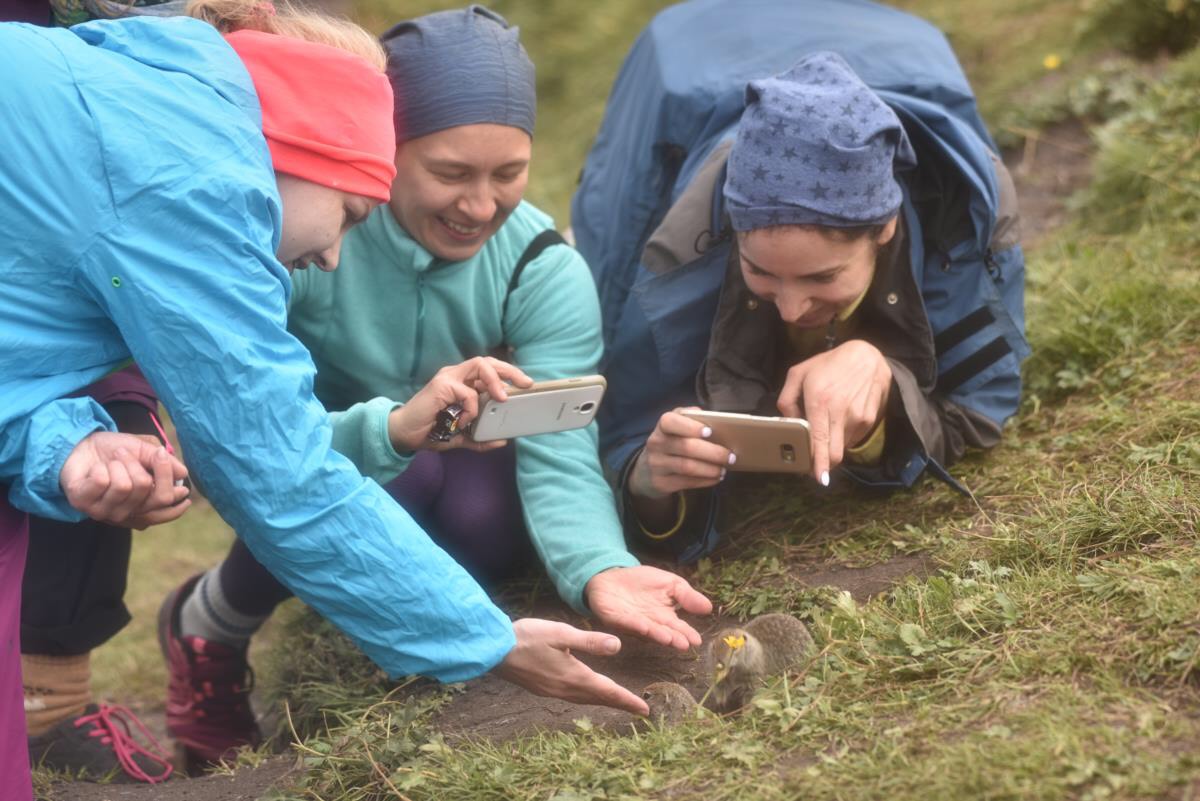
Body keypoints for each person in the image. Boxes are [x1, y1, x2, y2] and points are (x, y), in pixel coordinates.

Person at [0, 0, 648, 792]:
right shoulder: (197, 184)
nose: (336, 255)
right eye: (350, 212)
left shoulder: (140, 109)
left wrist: (62, 442)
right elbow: (273, 467)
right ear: (309, 152)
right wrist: (486, 639)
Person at [159, 5, 713, 769]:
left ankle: (404, 603)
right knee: (398, 474)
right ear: (386, 148)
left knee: (483, 517)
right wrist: (389, 428)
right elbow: (249, 438)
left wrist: (599, 566)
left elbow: (559, 443)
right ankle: (213, 620)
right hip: (326, 459)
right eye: (450, 173)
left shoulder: (541, 267)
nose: (480, 205)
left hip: (465, 471)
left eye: (507, 174)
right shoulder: (311, 233)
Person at [571, 0, 1029, 562]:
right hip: (686, 59)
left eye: (822, 276)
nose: (789, 308)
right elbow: (624, 426)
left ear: (885, 229)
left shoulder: (961, 225)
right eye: (760, 271)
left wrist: (885, 383)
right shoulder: (683, 248)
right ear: (731, 234)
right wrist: (648, 480)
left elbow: (979, 409)